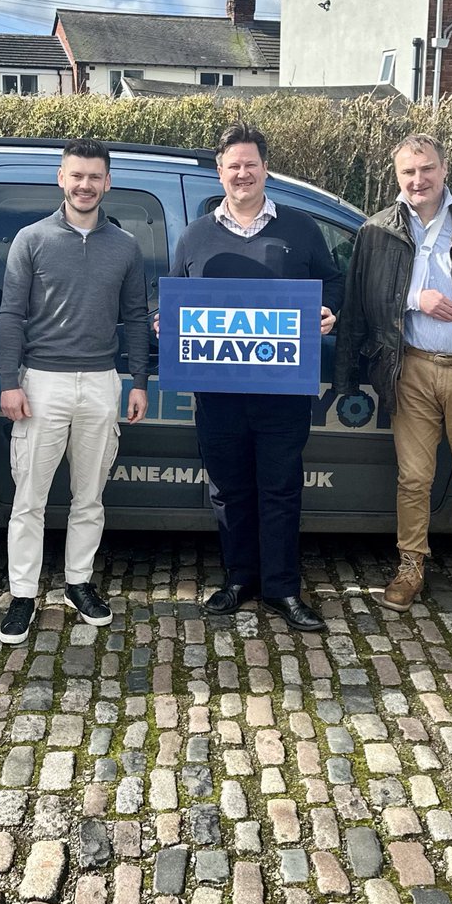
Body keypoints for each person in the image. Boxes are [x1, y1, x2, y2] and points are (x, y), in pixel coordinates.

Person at [337, 133, 452, 621]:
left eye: (426, 169)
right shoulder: (377, 230)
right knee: (414, 478)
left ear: (444, 170)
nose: (417, 180)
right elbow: (360, 305)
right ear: (396, 176)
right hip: (411, 370)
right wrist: (412, 300)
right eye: (408, 172)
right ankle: (410, 567)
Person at [169, 123, 343, 632]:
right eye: (232, 165)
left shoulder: (301, 228)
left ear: (265, 168)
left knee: (281, 489)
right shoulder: (196, 235)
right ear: (220, 172)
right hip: (218, 395)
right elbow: (175, 295)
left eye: (250, 164)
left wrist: (329, 310)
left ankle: (283, 589)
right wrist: (168, 319)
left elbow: (332, 281)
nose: (242, 173)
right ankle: (239, 578)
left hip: (283, 392)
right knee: (228, 490)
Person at [0, 138, 150, 645]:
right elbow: (12, 315)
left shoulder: (126, 246)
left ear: (108, 182)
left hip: (102, 382)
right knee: (29, 498)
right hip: (41, 381)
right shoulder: (32, 239)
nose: (85, 185)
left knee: (90, 496)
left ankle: (77, 583)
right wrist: (9, 381)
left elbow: (133, 319)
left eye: (94, 177)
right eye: (76, 175)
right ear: (60, 179)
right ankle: (22, 593)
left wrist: (139, 381)